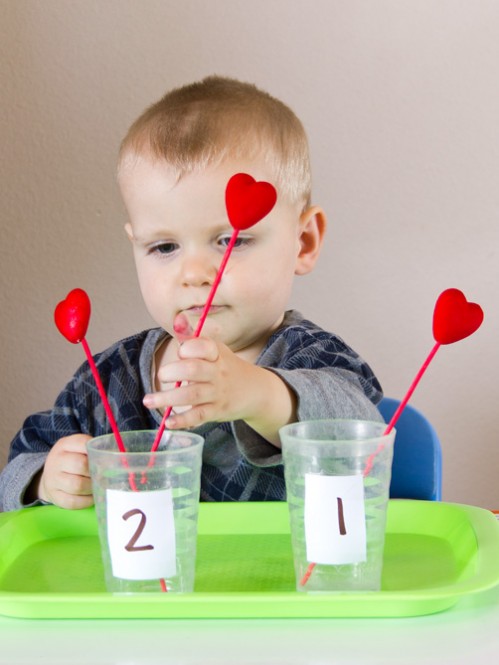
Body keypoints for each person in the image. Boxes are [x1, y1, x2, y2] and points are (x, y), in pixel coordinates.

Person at [0, 75, 383, 512]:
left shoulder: (318, 360)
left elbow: (364, 435)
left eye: (231, 240)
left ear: (304, 241)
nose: (196, 274)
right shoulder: (108, 380)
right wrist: (45, 482)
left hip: (284, 579)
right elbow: (17, 471)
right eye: (164, 247)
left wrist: (260, 394)